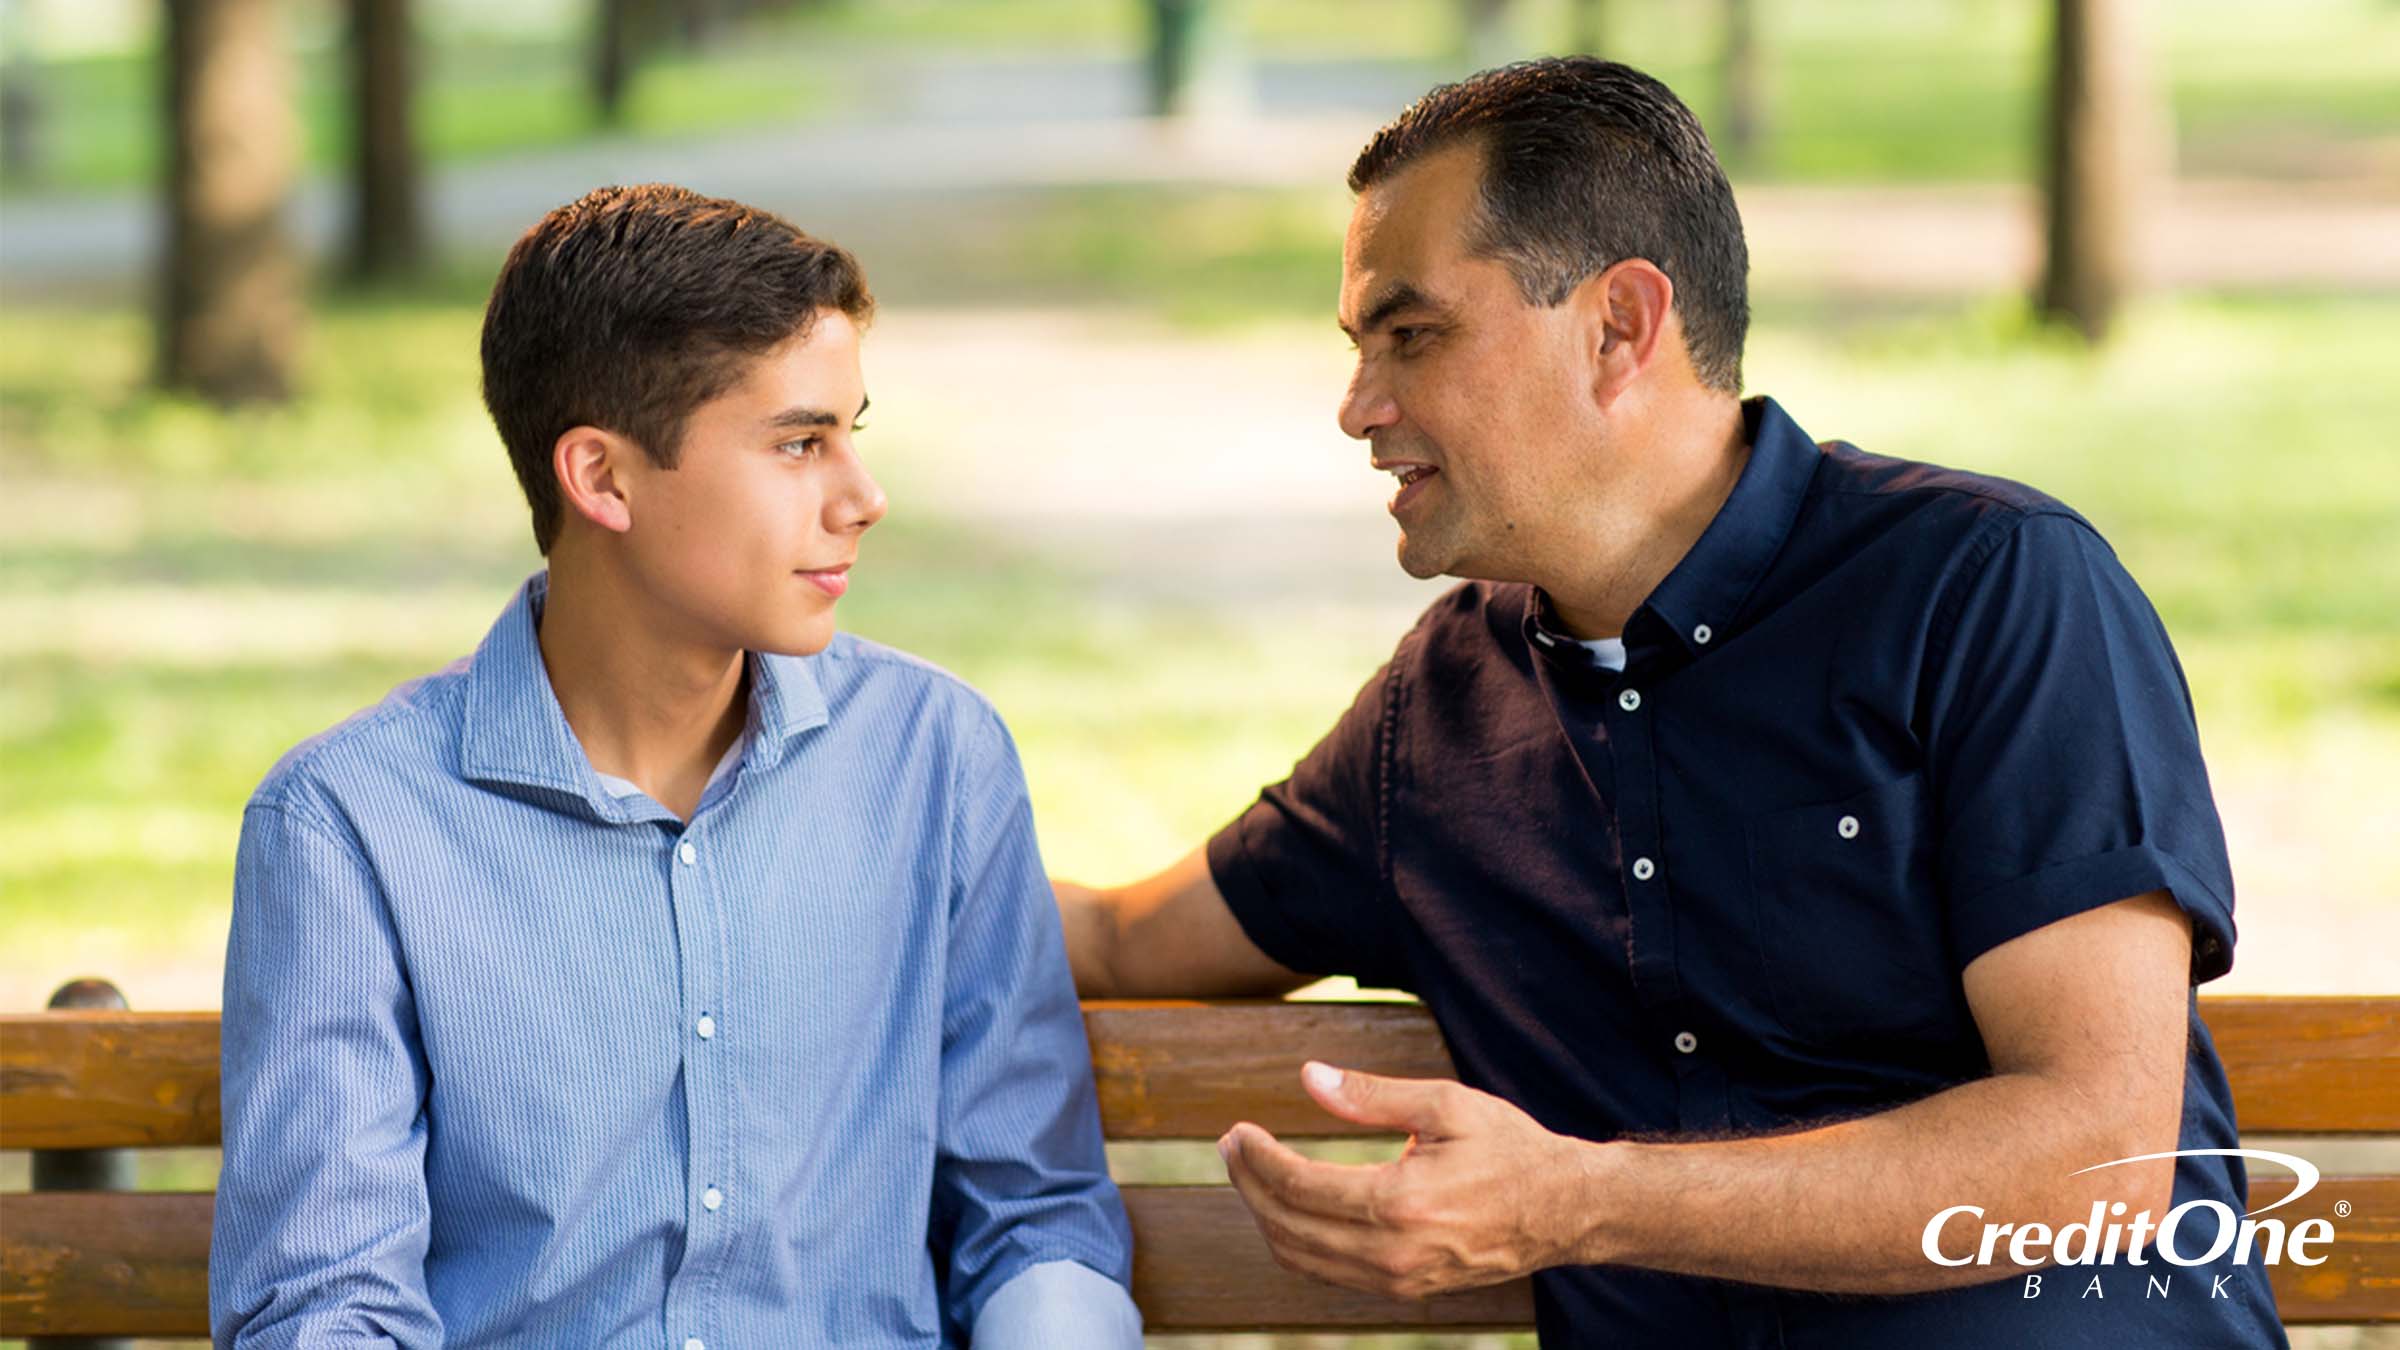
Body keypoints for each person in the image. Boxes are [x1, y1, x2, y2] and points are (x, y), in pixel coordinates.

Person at [1054, 59, 2283, 1347]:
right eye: (1360, 347)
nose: (1359, 407)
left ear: (1619, 328)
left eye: (1411, 336)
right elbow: (1127, 942)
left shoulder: (1988, 587)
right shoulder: (1441, 712)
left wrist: (1575, 1203)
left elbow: (2099, 1156)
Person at [211, 185, 1141, 1348]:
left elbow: (1033, 1218)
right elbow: (327, 1305)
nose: (864, 498)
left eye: (852, 433)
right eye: (800, 443)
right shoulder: (348, 827)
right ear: (602, 479)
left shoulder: (935, 759)